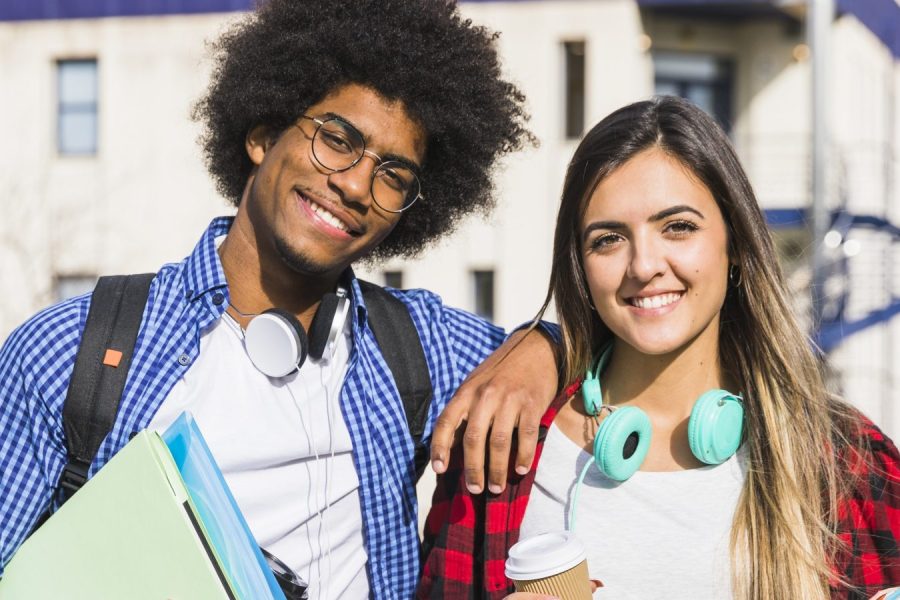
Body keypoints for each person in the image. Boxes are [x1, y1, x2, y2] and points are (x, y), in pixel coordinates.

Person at [0, 1, 561, 598]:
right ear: (264, 135)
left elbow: (605, 335)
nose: (354, 185)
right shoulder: (67, 354)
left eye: (393, 175)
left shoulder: (419, 347)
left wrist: (540, 349)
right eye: (337, 139)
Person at [417, 96, 900, 600]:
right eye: (608, 239)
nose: (644, 265)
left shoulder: (848, 461)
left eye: (678, 227)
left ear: (734, 244)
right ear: (579, 266)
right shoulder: (503, 447)